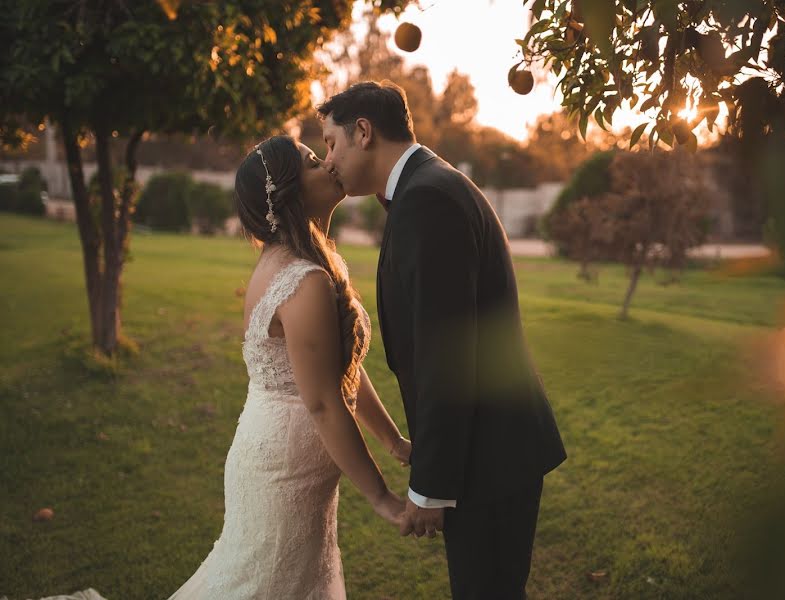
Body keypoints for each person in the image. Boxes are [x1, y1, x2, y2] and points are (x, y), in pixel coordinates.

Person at [318, 81, 567, 599]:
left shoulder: (427, 200)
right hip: (490, 447)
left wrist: (431, 486)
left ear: (363, 132)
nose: (328, 160)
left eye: (330, 142)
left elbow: (446, 354)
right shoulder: (430, 187)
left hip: (490, 456)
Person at [166, 135, 410, 599]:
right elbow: (321, 401)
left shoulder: (303, 264)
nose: (331, 163)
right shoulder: (304, 280)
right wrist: (383, 500)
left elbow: (342, 368)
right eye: (315, 162)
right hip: (283, 474)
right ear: (291, 191)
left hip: (282, 460)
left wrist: (393, 440)